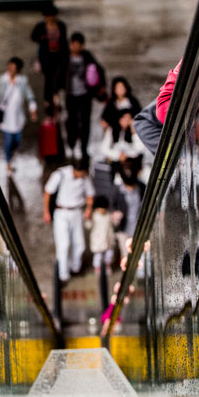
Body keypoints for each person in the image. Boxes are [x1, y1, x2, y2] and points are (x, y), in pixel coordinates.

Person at [43, 157, 94, 323]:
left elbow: (90, 194)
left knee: (79, 243)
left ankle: (75, 266)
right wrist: (46, 212)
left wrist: (88, 209)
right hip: (61, 212)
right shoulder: (60, 175)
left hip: (77, 212)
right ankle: (63, 274)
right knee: (63, 244)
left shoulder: (85, 178)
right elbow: (48, 192)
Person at [0, 57, 37, 173]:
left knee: (17, 140)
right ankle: (8, 161)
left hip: (18, 118)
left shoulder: (22, 81)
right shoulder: (2, 79)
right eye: (9, 66)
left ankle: (11, 153)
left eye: (13, 67)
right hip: (6, 118)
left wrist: (32, 110)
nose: (10, 69)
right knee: (8, 142)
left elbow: (29, 95)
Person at [61, 32, 105, 159]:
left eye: (78, 45)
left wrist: (101, 87)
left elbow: (100, 70)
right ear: (70, 45)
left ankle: (84, 148)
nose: (75, 47)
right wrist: (54, 93)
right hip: (71, 96)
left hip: (85, 96)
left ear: (82, 46)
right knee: (72, 122)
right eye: (73, 44)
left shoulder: (87, 56)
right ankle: (72, 144)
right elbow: (58, 75)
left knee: (85, 123)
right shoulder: (66, 57)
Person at [30, 4, 69, 107]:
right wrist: (43, 38)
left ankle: (56, 95)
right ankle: (48, 99)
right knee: (49, 77)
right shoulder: (41, 26)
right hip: (46, 57)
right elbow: (34, 37)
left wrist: (66, 55)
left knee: (59, 76)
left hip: (58, 55)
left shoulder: (61, 25)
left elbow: (64, 41)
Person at [86, 195, 114, 313]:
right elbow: (88, 225)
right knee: (97, 256)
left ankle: (107, 265)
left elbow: (112, 225)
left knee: (109, 254)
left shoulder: (108, 216)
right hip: (98, 240)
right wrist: (87, 219)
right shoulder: (94, 216)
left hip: (107, 239)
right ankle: (98, 267)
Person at [100, 110, 146, 177]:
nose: (126, 121)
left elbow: (140, 149)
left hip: (131, 162)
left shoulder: (134, 131)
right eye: (124, 118)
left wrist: (134, 132)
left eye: (129, 119)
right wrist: (118, 155)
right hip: (116, 161)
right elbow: (104, 148)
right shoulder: (112, 129)